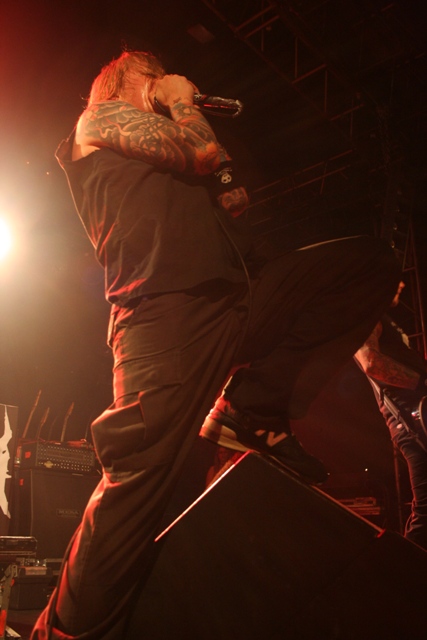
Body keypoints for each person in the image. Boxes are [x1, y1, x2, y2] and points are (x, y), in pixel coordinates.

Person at [31, 49, 401, 640]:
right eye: (156, 76)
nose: (170, 83)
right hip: (165, 322)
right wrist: (180, 99)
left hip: (232, 302)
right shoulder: (98, 120)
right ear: (130, 82)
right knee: (138, 489)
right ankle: (61, 633)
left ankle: (251, 409)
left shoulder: (164, 149)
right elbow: (204, 152)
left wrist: (216, 170)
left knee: (367, 265)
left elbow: (230, 192)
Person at [355, 281, 427, 550]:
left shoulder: (385, 320)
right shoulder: (366, 317)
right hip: (413, 421)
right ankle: (401, 570)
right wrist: (421, 382)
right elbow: (371, 363)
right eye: (394, 277)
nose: (402, 283)